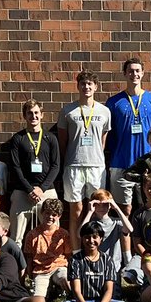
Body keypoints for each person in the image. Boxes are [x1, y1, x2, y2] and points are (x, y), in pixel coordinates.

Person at [104, 57, 151, 214]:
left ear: (143, 73)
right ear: (125, 74)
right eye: (130, 71)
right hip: (121, 163)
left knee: (149, 207)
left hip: (147, 165)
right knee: (125, 210)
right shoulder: (113, 102)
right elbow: (110, 134)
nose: (134, 74)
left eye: (137, 71)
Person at [57, 71, 112, 235]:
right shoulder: (68, 111)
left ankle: (94, 252)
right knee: (76, 211)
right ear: (78, 86)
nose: (86, 87)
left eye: (90, 84)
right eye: (83, 84)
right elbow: (63, 142)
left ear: (95, 87)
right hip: (74, 165)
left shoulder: (104, 111)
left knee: (97, 210)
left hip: (96, 166)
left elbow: (103, 141)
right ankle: (76, 251)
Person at [4, 100, 61, 243]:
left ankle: (52, 265)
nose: (33, 116)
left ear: (42, 115)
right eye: (30, 113)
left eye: (36, 113)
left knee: (52, 235)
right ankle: (17, 266)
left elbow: (56, 166)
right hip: (22, 192)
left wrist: (41, 189)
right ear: (24, 116)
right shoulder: (18, 138)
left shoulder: (51, 138)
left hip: (46, 192)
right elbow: (15, 167)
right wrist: (30, 189)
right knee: (16, 237)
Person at [59, 221, 129, 302]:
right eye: (87, 237)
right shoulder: (76, 260)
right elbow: (76, 290)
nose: (91, 241)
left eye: (95, 237)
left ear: (101, 239)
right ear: (82, 239)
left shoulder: (107, 260)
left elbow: (109, 290)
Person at [23, 197, 71, 299]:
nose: (50, 217)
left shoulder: (63, 234)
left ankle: (70, 300)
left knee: (65, 280)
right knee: (38, 297)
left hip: (59, 266)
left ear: (59, 216)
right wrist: (30, 275)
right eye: (47, 213)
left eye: (54, 215)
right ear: (42, 213)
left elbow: (68, 254)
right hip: (40, 269)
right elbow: (29, 256)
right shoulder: (32, 234)